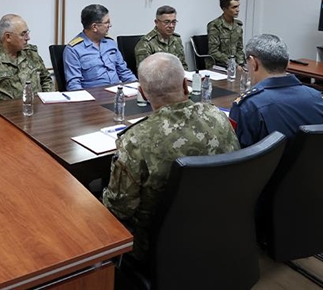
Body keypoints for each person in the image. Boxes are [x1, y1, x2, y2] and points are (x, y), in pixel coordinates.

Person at [102, 53, 240, 263]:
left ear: (143, 94)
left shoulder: (135, 140)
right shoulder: (218, 117)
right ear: (185, 85)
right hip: (222, 225)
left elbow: (119, 209)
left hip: (157, 243)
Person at [229, 34, 323, 148]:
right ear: (288, 63)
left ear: (254, 63)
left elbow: (236, 153)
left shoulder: (247, 106)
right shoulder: (317, 97)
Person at [0, 14, 53, 104]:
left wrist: (47, 102)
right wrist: (4, 108)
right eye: (23, 34)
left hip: (37, 108)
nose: (28, 38)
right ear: (8, 37)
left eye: (27, 33)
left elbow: (46, 80)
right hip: (6, 111)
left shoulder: (31, 53)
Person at [64, 4, 136, 90]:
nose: (110, 25)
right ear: (94, 27)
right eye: (107, 22)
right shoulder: (73, 50)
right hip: (94, 95)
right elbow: (74, 85)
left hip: (117, 92)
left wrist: (139, 88)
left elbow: (124, 73)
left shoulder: (110, 43)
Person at [134, 5, 188, 71]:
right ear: (156, 22)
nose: (171, 26)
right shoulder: (146, 43)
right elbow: (145, 72)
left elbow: (183, 66)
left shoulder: (176, 39)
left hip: (178, 76)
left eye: (174, 22)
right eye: (167, 22)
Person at [207, 0, 245, 69]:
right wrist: (232, 63)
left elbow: (239, 49)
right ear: (224, 9)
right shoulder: (215, 25)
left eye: (238, 6)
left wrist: (241, 63)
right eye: (234, 7)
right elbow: (214, 51)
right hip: (218, 64)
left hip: (235, 65)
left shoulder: (238, 25)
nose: (238, 10)